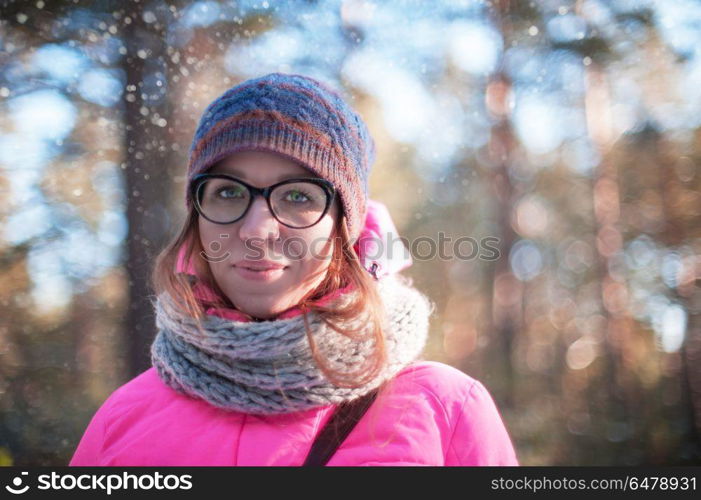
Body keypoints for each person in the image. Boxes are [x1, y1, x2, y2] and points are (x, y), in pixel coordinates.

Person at [69, 72, 519, 466]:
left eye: (299, 196)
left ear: (347, 227)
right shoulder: (122, 418)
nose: (257, 230)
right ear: (196, 217)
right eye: (227, 192)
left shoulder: (445, 410)